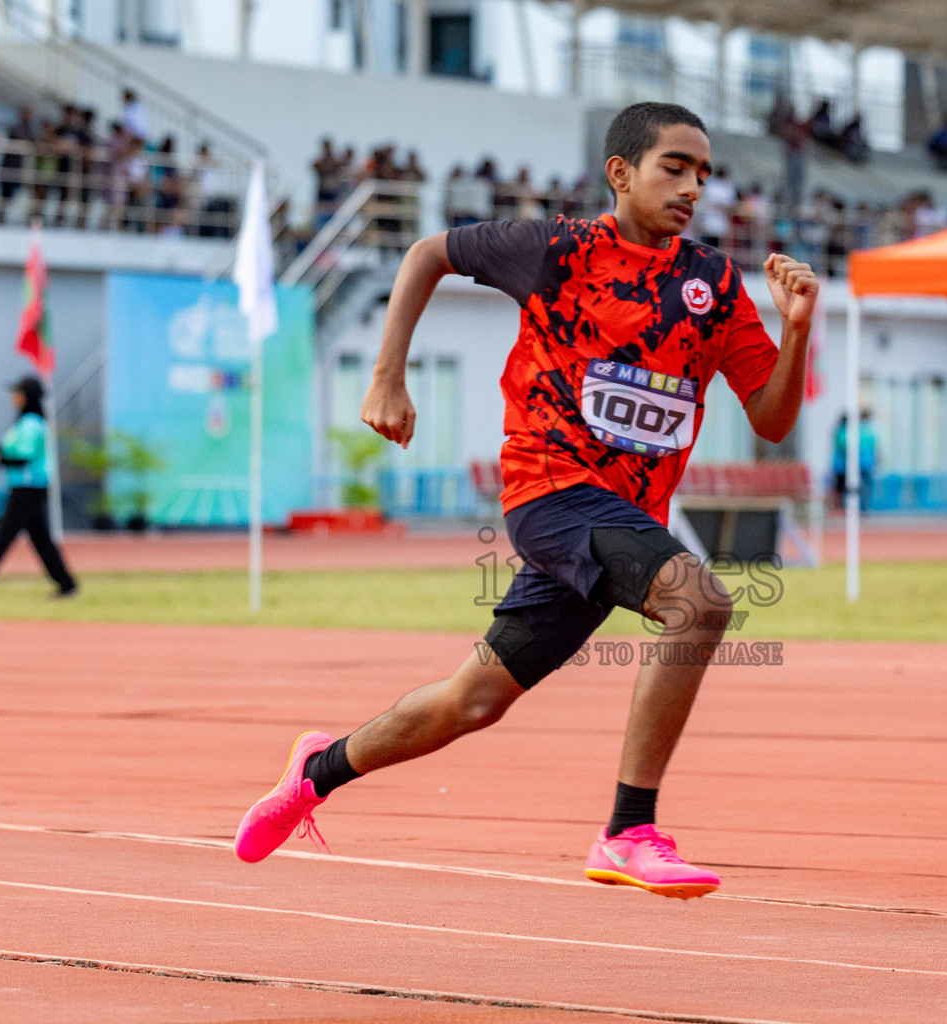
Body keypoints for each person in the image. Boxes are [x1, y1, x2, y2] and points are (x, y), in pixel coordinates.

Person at [232, 102, 817, 899]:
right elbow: (426, 252)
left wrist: (798, 331)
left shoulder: (712, 282)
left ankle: (316, 771)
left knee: (472, 702)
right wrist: (386, 376)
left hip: (622, 521)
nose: (693, 187)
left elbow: (773, 419)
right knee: (701, 603)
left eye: (704, 174)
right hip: (550, 491)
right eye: (674, 168)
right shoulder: (556, 249)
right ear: (622, 172)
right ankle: (628, 830)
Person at [0, 377, 79, 598]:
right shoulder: (25, 422)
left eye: (17, 392)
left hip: (28, 488)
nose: (14, 397)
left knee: (5, 535)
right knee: (41, 539)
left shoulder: (31, 424)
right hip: (26, 486)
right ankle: (67, 584)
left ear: (26, 396)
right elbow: (11, 451)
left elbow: (23, 457)